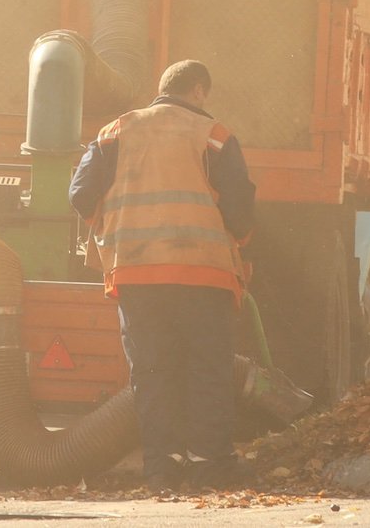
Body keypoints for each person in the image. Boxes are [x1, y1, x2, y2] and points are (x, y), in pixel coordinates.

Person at [69, 60, 256, 490]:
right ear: (198, 91)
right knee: (207, 368)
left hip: (136, 274)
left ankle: (162, 469)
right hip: (203, 274)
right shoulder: (214, 135)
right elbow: (242, 213)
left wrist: (107, 228)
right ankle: (209, 465)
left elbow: (80, 194)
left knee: (153, 372)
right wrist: (235, 239)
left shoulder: (116, 132)